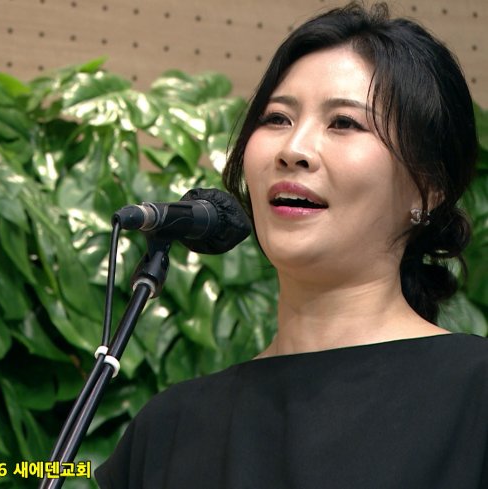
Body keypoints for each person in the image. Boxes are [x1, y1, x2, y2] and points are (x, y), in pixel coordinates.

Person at [95, 2, 486, 488]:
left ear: (427, 187)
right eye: (277, 118)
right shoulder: (167, 430)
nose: (293, 150)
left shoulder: (475, 394)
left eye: (344, 123)